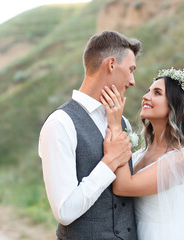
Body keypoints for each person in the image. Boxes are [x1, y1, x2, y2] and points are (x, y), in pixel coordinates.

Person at [101, 67, 184, 240]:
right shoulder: (139, 154)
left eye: (157, 93)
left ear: (174, 106)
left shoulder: (183, 159)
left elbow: (123, 186)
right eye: (147, 91)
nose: (145, 96)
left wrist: (115, 124)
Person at [39, 31, 142, 239]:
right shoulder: (60, 124)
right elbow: (65, 211)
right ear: (111, 64)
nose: (132, 81)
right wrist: (110, 161)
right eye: (130, 70)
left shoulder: (122, 123)